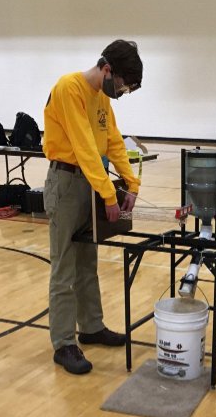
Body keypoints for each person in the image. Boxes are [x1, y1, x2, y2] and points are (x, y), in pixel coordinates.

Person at [42, 39, 143, 374]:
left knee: (88, 260)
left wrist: (131, 183)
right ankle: (63, 343)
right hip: (67, 183)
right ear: (107, 69)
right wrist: (109, 195)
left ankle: (91, 326)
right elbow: (85, 147)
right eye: (123, 86)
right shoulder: (69, 88)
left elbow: (113, 141)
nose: (122, 92)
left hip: (90, 183)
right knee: (64, 267)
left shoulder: (102, 100)